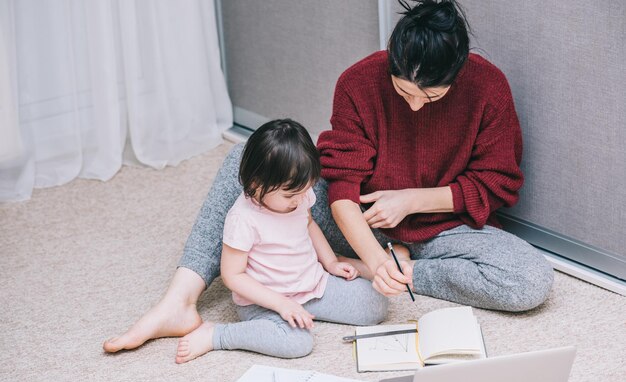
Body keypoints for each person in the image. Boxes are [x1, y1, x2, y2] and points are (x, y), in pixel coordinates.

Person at [103, 0, 553, 355]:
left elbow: (496, 182)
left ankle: (408, 269)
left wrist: (410, 202)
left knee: (530, 280)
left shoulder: (488, 87)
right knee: (246, 160)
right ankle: (178, 300)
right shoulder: (359, 82)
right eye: (403, 92)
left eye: (430, 96)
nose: (415, 106)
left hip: (444, 227)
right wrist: (375, 261)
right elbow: (341, 187)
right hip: (356, 221)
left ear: (458, 73)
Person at [173, 119, 388, 363]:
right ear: (256, 185)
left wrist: (330, 263)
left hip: (311, 285)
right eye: (290, 195)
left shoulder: (299, 196)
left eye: (304, 190)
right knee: (297, 342)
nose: (299, 199)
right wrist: (282, 304)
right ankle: (217, 335)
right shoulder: (242, 219)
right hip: (264, 302)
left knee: (376, 304)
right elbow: (233, 276)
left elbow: (308, 224)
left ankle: (303, 309)